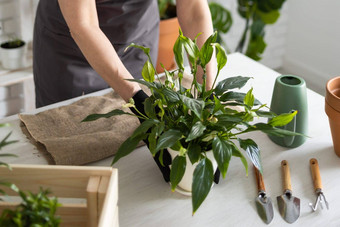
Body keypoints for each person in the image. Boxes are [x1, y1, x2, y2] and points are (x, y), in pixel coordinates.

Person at [33, 0, 218, 182]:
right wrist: (138, 99)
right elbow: (84, 25)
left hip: (136, 35)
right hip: (71, 46)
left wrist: (207, 91)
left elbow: (193, 10)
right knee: (67, 136)